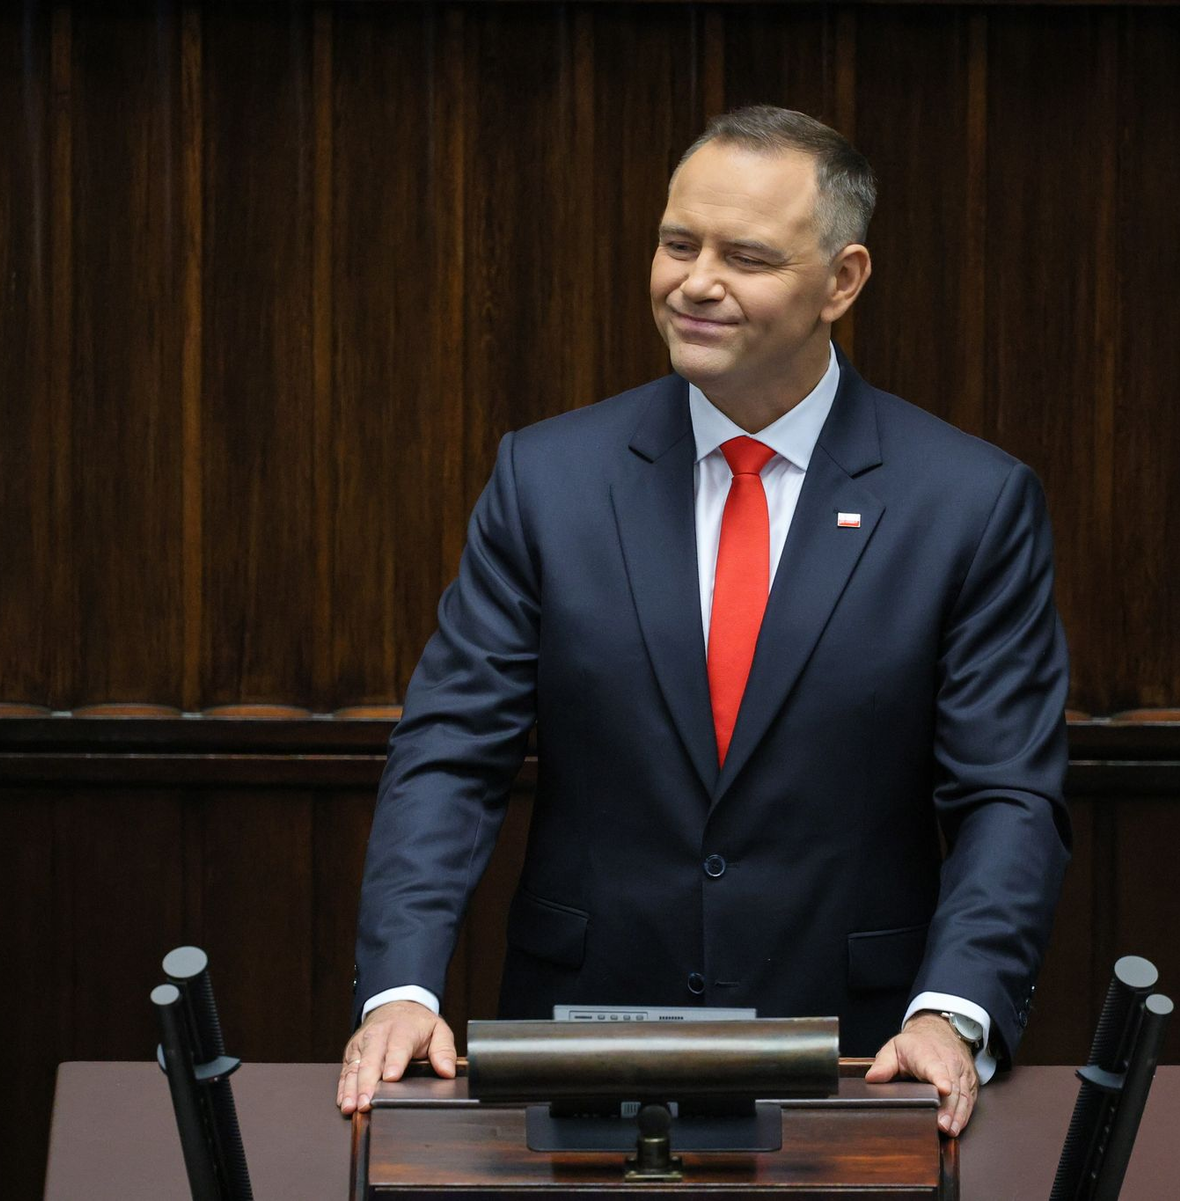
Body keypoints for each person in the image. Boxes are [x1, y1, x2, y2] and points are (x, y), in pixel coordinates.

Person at [337, 106, 1070, 1138]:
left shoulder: (969, 502)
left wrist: (953, 1007)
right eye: (679, 242)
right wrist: (402, 987)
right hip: (577, 1056)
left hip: (857, 1066)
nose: (695, 281)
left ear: (843, 281)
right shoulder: (547, 479)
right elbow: (451, 750)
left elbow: (1008, 795)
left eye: (748, 256)